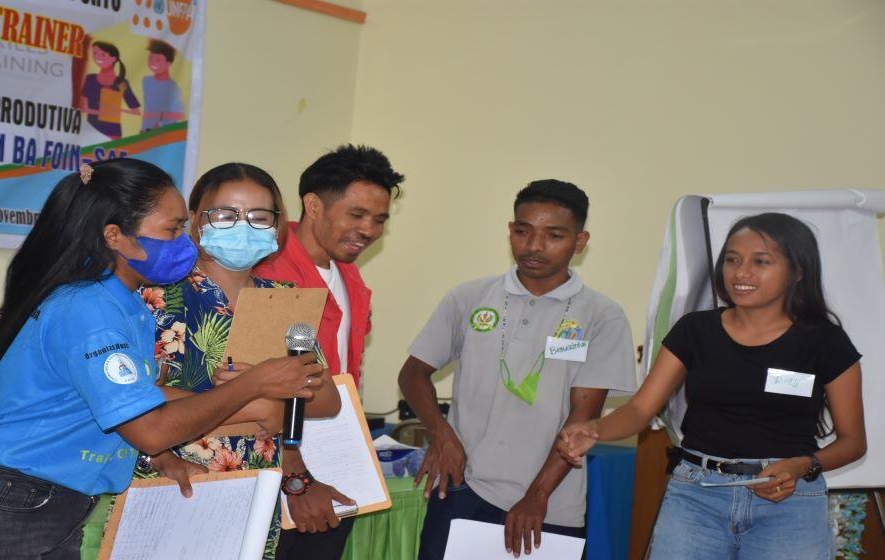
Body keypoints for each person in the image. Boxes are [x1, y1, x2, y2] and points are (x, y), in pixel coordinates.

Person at [0, 159, 324, 559]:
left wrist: (166, 460)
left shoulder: (128, 308)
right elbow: (150, 429)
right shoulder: (90, 311)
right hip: (0, 506)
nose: (185, 242)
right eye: (173, 228)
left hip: (51, 506)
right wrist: (251, 386)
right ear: (115, 236)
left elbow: (137, 402)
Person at [557, 213, 866, 559]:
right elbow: (640, 409)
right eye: (732, 260)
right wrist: (596, 428)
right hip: (697, 495)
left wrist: (802, 464)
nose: (741, 273)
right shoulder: (695, 330)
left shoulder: (824, 340)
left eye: (760, 262)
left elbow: (853, 442)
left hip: (787, 501)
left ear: (797, 271)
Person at [398, 180, 637, 559]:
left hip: (550, 503)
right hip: (464, 487)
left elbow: (583, 417)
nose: (534, 246)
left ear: (580, 241)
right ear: (511, 231)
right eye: (523, 231)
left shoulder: (602, 316)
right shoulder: (470, 297)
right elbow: (412, 373)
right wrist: (441, 434)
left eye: (554, 235)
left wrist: (537, 495)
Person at [136, 162, 343, 559]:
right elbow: (138, 397)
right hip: (177, 480)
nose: (243, 226)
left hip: (256, 488)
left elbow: (328, 399)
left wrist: (276, 402)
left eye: (259, 217)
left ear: (278, 226)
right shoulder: (159, 296)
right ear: (195, 220)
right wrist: (253, 401)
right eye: (226, 215)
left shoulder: (284, 297)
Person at [255, 144, 405, 560]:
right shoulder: (272, 275)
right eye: (356, 215)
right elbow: (262, 393)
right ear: (313, 205)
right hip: (284, 473)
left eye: (379, 220)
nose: (369, 230)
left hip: (335, 463)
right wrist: (296, 480)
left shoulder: (350, 276)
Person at [81, 41, 141, 139]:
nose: (97, 57)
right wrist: (103, 112)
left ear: (114, 58)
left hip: (112, 131)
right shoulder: (90, 79)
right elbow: (82, 107)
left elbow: (136, 111)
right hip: (90, 130)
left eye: (102, 54)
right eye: (95, 54)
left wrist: (117, 110)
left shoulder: (122, 83)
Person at [141, 39, 185, 132]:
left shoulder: (173, 87)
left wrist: (161, 123)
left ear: (169, 63)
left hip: (165, 132)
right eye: (150, 58)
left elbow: (178, 114)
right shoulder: (146, 81)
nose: (153, 63)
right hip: (145, 130)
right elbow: (148, 108)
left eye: (158, 60)